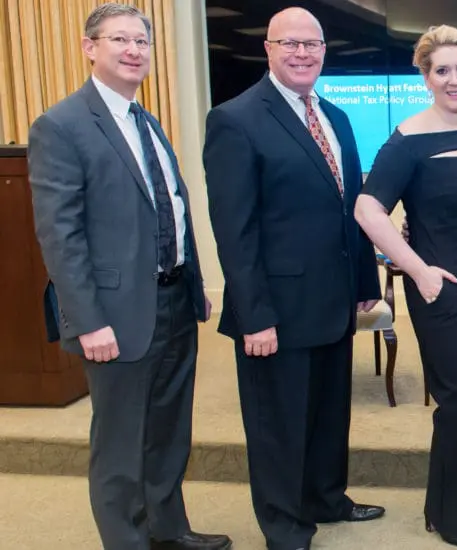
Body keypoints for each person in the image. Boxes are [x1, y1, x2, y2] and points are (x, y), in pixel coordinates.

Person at [26, 4, 231, 549]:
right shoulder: (61, 125)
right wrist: (87, 321)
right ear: (90, 47)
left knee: (168, 433)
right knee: (120, 443)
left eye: (143, 41)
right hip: (114, 317)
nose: (135, 50)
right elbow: (59, 236)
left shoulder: (147, 120)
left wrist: (194, 282)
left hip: (173, 303)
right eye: (121, 39)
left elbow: (171, 210)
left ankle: (168, 530)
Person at [202, 7, 384, 550]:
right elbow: (235, 231)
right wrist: (254, 316)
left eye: (313, 44)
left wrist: (365, 287)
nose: (303, 53)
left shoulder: (336, 116)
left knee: (329, 414)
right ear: (269, 49)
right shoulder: (235, 119)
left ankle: (326, 498)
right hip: (275, 310)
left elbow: (350, 208)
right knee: (278, 424)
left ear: (325, 51)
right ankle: (284, 526)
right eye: (291, 44)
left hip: (332, 300)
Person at [354, 25, 457, 548]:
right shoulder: (408, 138)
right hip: (438, 284)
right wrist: (416, 269)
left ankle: (448, 506)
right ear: (426, 76)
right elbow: (367, 209)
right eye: (443, 70)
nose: (455, 79)